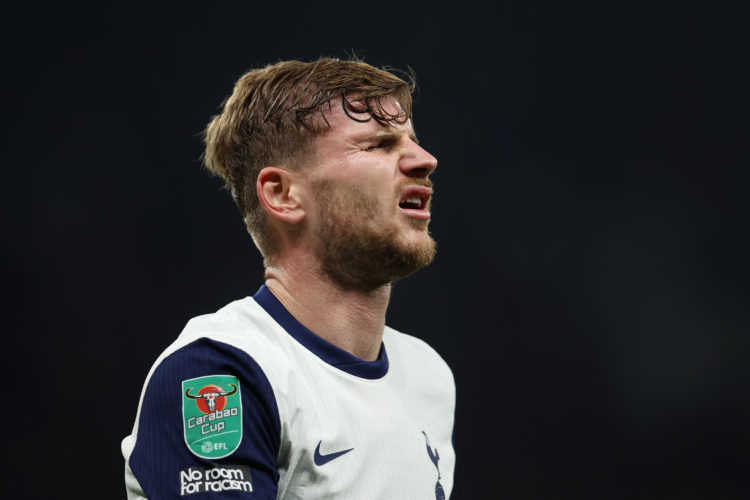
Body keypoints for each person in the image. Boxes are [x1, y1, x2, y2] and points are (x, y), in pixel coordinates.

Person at [121, 57, 455, 499]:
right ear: (282, 194)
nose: (424, 160)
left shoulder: (428, 374)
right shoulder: (221, 371)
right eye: (378, 144)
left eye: (413, 140)